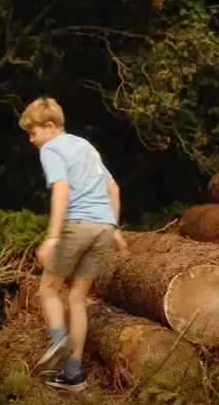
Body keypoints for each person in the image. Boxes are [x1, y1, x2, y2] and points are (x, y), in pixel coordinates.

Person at [19, 97, 128, 391]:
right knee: (78, 297)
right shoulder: (84, 146)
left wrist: (53, 236)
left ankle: (58, 342)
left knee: (48, 288)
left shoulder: (52, 148)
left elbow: (62, 190)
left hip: (77, 223)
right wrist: (113, 225)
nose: (32, 140)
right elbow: (113, 187)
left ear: (50, 126)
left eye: (33, 132)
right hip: (103, 227)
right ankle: (73, 374)